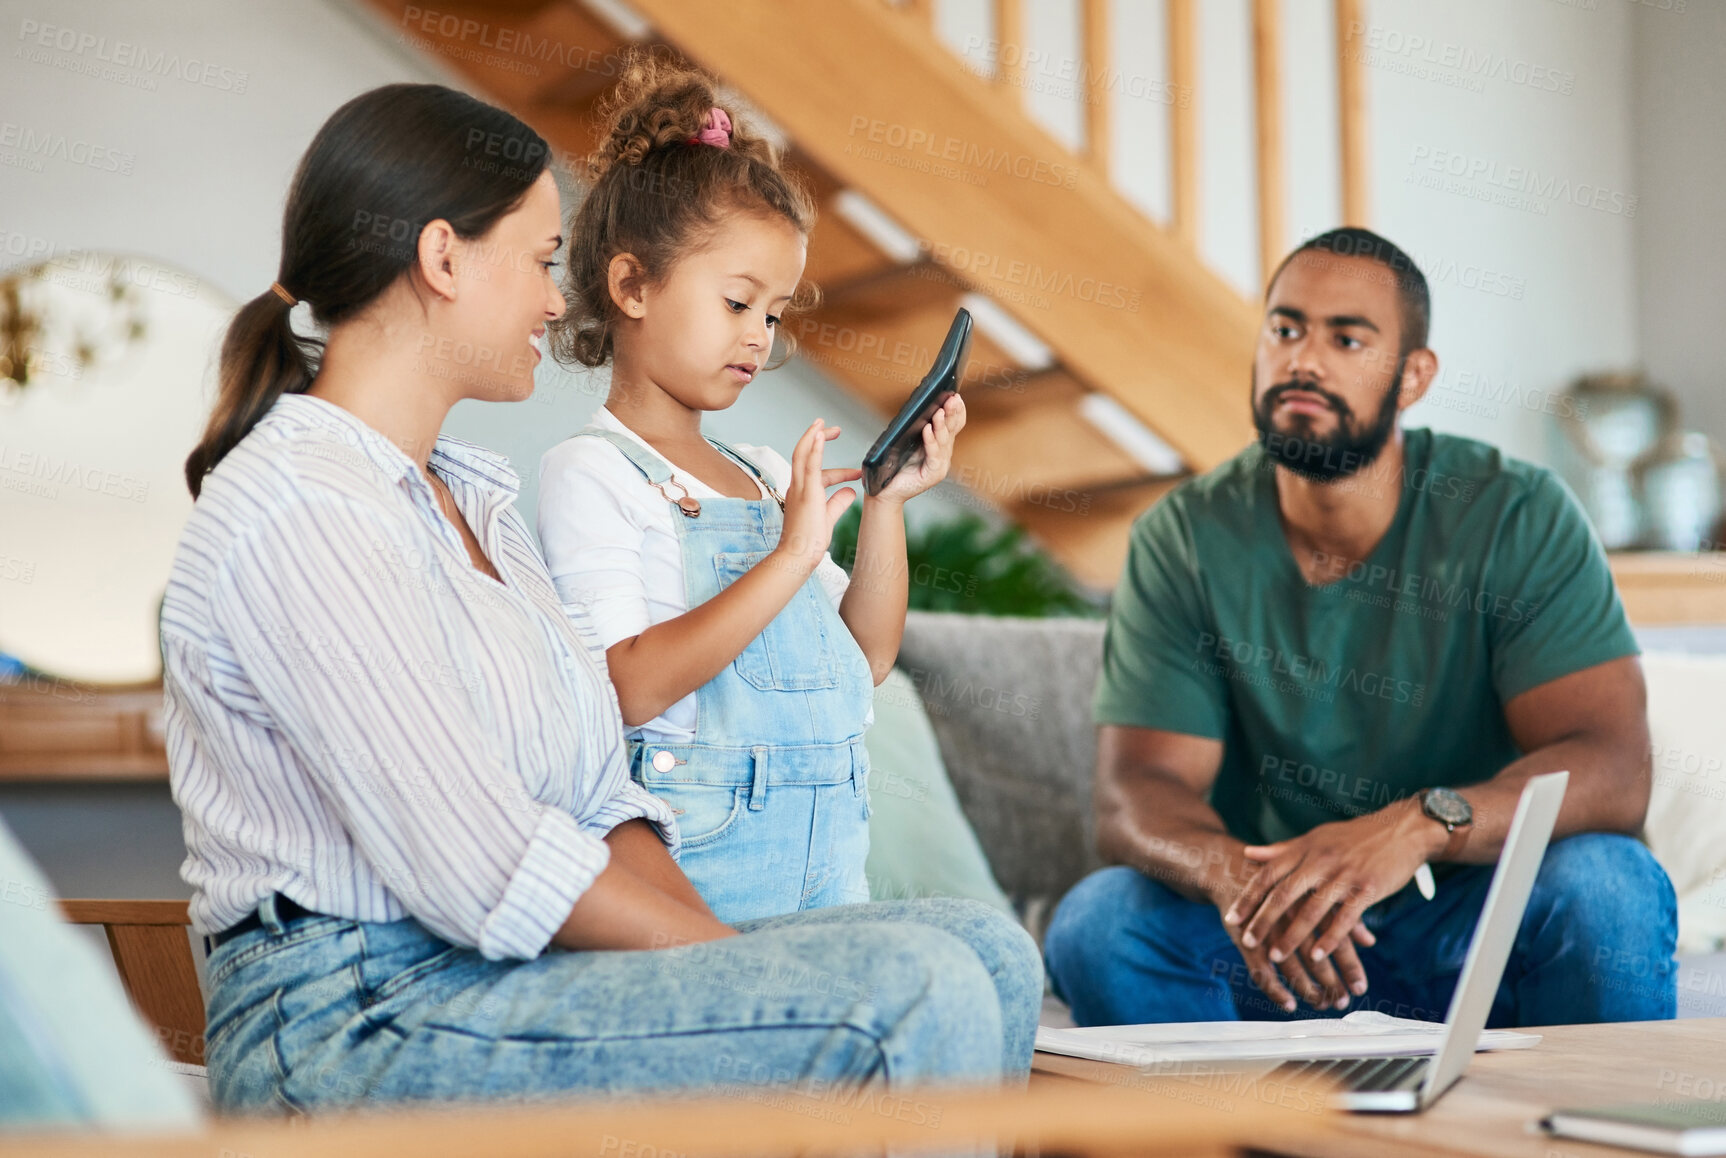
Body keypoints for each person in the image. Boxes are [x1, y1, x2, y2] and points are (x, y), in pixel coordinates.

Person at [164, 81, 1038, 1115]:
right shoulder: (302, 506)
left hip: (486, 976)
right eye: (538, 261)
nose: (553, 299)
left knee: (982, 950)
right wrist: (742, 979)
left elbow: (598, 798)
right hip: (355, 1018)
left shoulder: (475, 504)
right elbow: (485, 863)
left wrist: (738, 978)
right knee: (908, 989)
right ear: (442, 260)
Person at [1043, 227, 1675, 1029]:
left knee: (1607, 888)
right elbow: (1137, 789)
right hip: (1277, 945)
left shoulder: (1517, 513)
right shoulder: (1185, 537)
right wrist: (1242, 880)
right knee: (1103, 923)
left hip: (1470, 922)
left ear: (1414, 376)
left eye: (1347, 338)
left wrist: (1418, 827)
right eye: (1285, 328)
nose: (1304, 359)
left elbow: (1613, 766)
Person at [536, 54, 964, 924]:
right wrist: (795, 551)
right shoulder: (591, 472)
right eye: (737, 303)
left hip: (832, 871)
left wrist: (885, 507)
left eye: (772, 314)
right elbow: (628, 686)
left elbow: (865, 662)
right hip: (704, 872)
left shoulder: (766, 474)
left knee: (970, 952)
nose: (760, 338)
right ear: (632, 286)